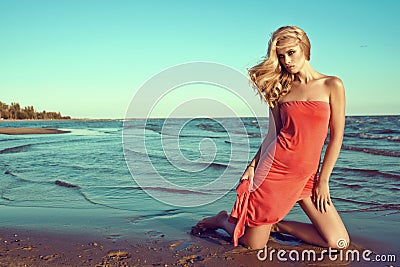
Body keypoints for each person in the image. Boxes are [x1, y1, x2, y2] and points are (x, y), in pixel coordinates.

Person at [195, 26, 350, 250]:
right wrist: (252, 165)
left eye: (291, 52)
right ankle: (223, 220)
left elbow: (336, 136)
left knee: (338, 242)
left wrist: (323, 180)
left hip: (308, 176)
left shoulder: (332, 85)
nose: (287, 60)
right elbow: (273, 135)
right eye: (281, 56)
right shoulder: (280, 89)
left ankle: (277, 226)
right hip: (275, 171)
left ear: (305, 49)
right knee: (253, 245)